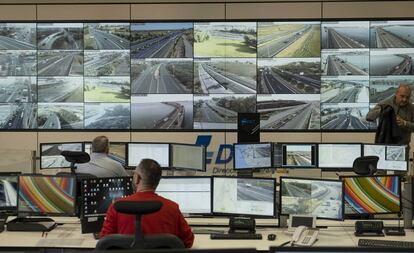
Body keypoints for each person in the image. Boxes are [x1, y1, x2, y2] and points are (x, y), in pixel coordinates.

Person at [100, 158, 194, 248]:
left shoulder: (117, 207)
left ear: (137, 178)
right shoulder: (172, 208)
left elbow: (104, 242)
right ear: (157, 182)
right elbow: (188, 241)